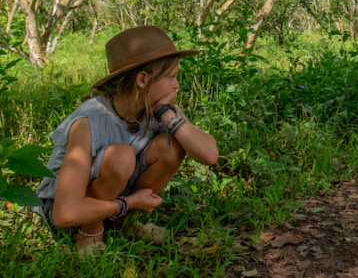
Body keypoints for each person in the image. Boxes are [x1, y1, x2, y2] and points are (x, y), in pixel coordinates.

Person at [34, 26, 219, 254]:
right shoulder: (90, 121)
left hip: (112, 205)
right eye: (171, 77)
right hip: (70, 214)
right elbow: (64, 213)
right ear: (142, 79)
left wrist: (169, 114)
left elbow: (209, 155)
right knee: (121, 156)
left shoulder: (158, 109)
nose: (176, 85)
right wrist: (129, 203)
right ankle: (89, 235)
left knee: (172, 145)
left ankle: (126, 224)